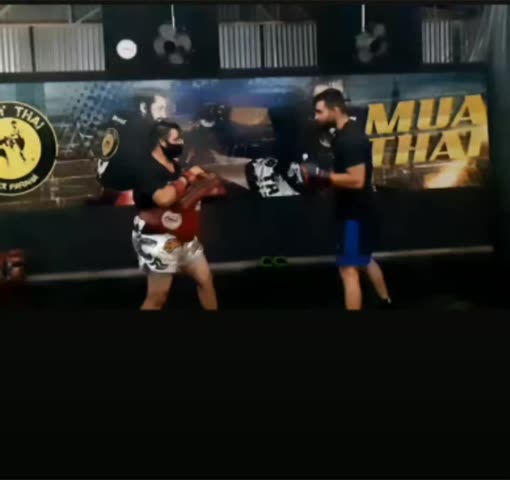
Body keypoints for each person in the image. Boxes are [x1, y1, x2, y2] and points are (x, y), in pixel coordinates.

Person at [298, 88, 392, 310]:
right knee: (365, 258)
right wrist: (323, 177)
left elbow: (357, 180)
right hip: (356, 211)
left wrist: (322, 175)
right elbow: (345, 174)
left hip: (354, 215)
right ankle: (386, 301)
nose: (316, 117)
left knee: (348, 270)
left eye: (320, 112)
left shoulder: (351, 139)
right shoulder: (343, 134)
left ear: (335, 109)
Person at [131, 119, 224, 311]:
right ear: (161, 142)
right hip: (157, 238)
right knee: (158, 297)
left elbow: (181, 200)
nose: (181, 143)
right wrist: (188, 177)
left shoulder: (175, 166)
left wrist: (204, 184)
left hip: (184, 238)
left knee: (205, 279)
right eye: (176, 139)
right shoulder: (145, 170)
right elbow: (163, 199)